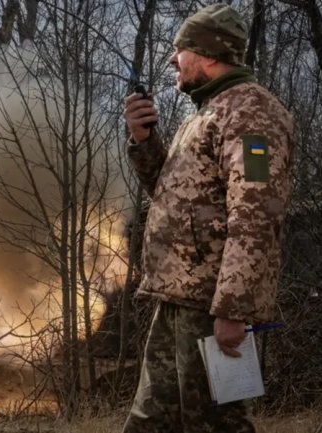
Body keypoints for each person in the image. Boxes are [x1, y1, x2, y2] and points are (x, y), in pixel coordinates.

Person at [121, 3, 295, 432]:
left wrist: (233, 308)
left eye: (180, 50)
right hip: (178, 299)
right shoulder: (205, 113)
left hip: (211, 304)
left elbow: (256, 213)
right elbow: (175, 195)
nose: (171, 59)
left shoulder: (251, 112)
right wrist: (144, 141)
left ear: (210, 56)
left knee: (217, 425)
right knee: (151, 422)